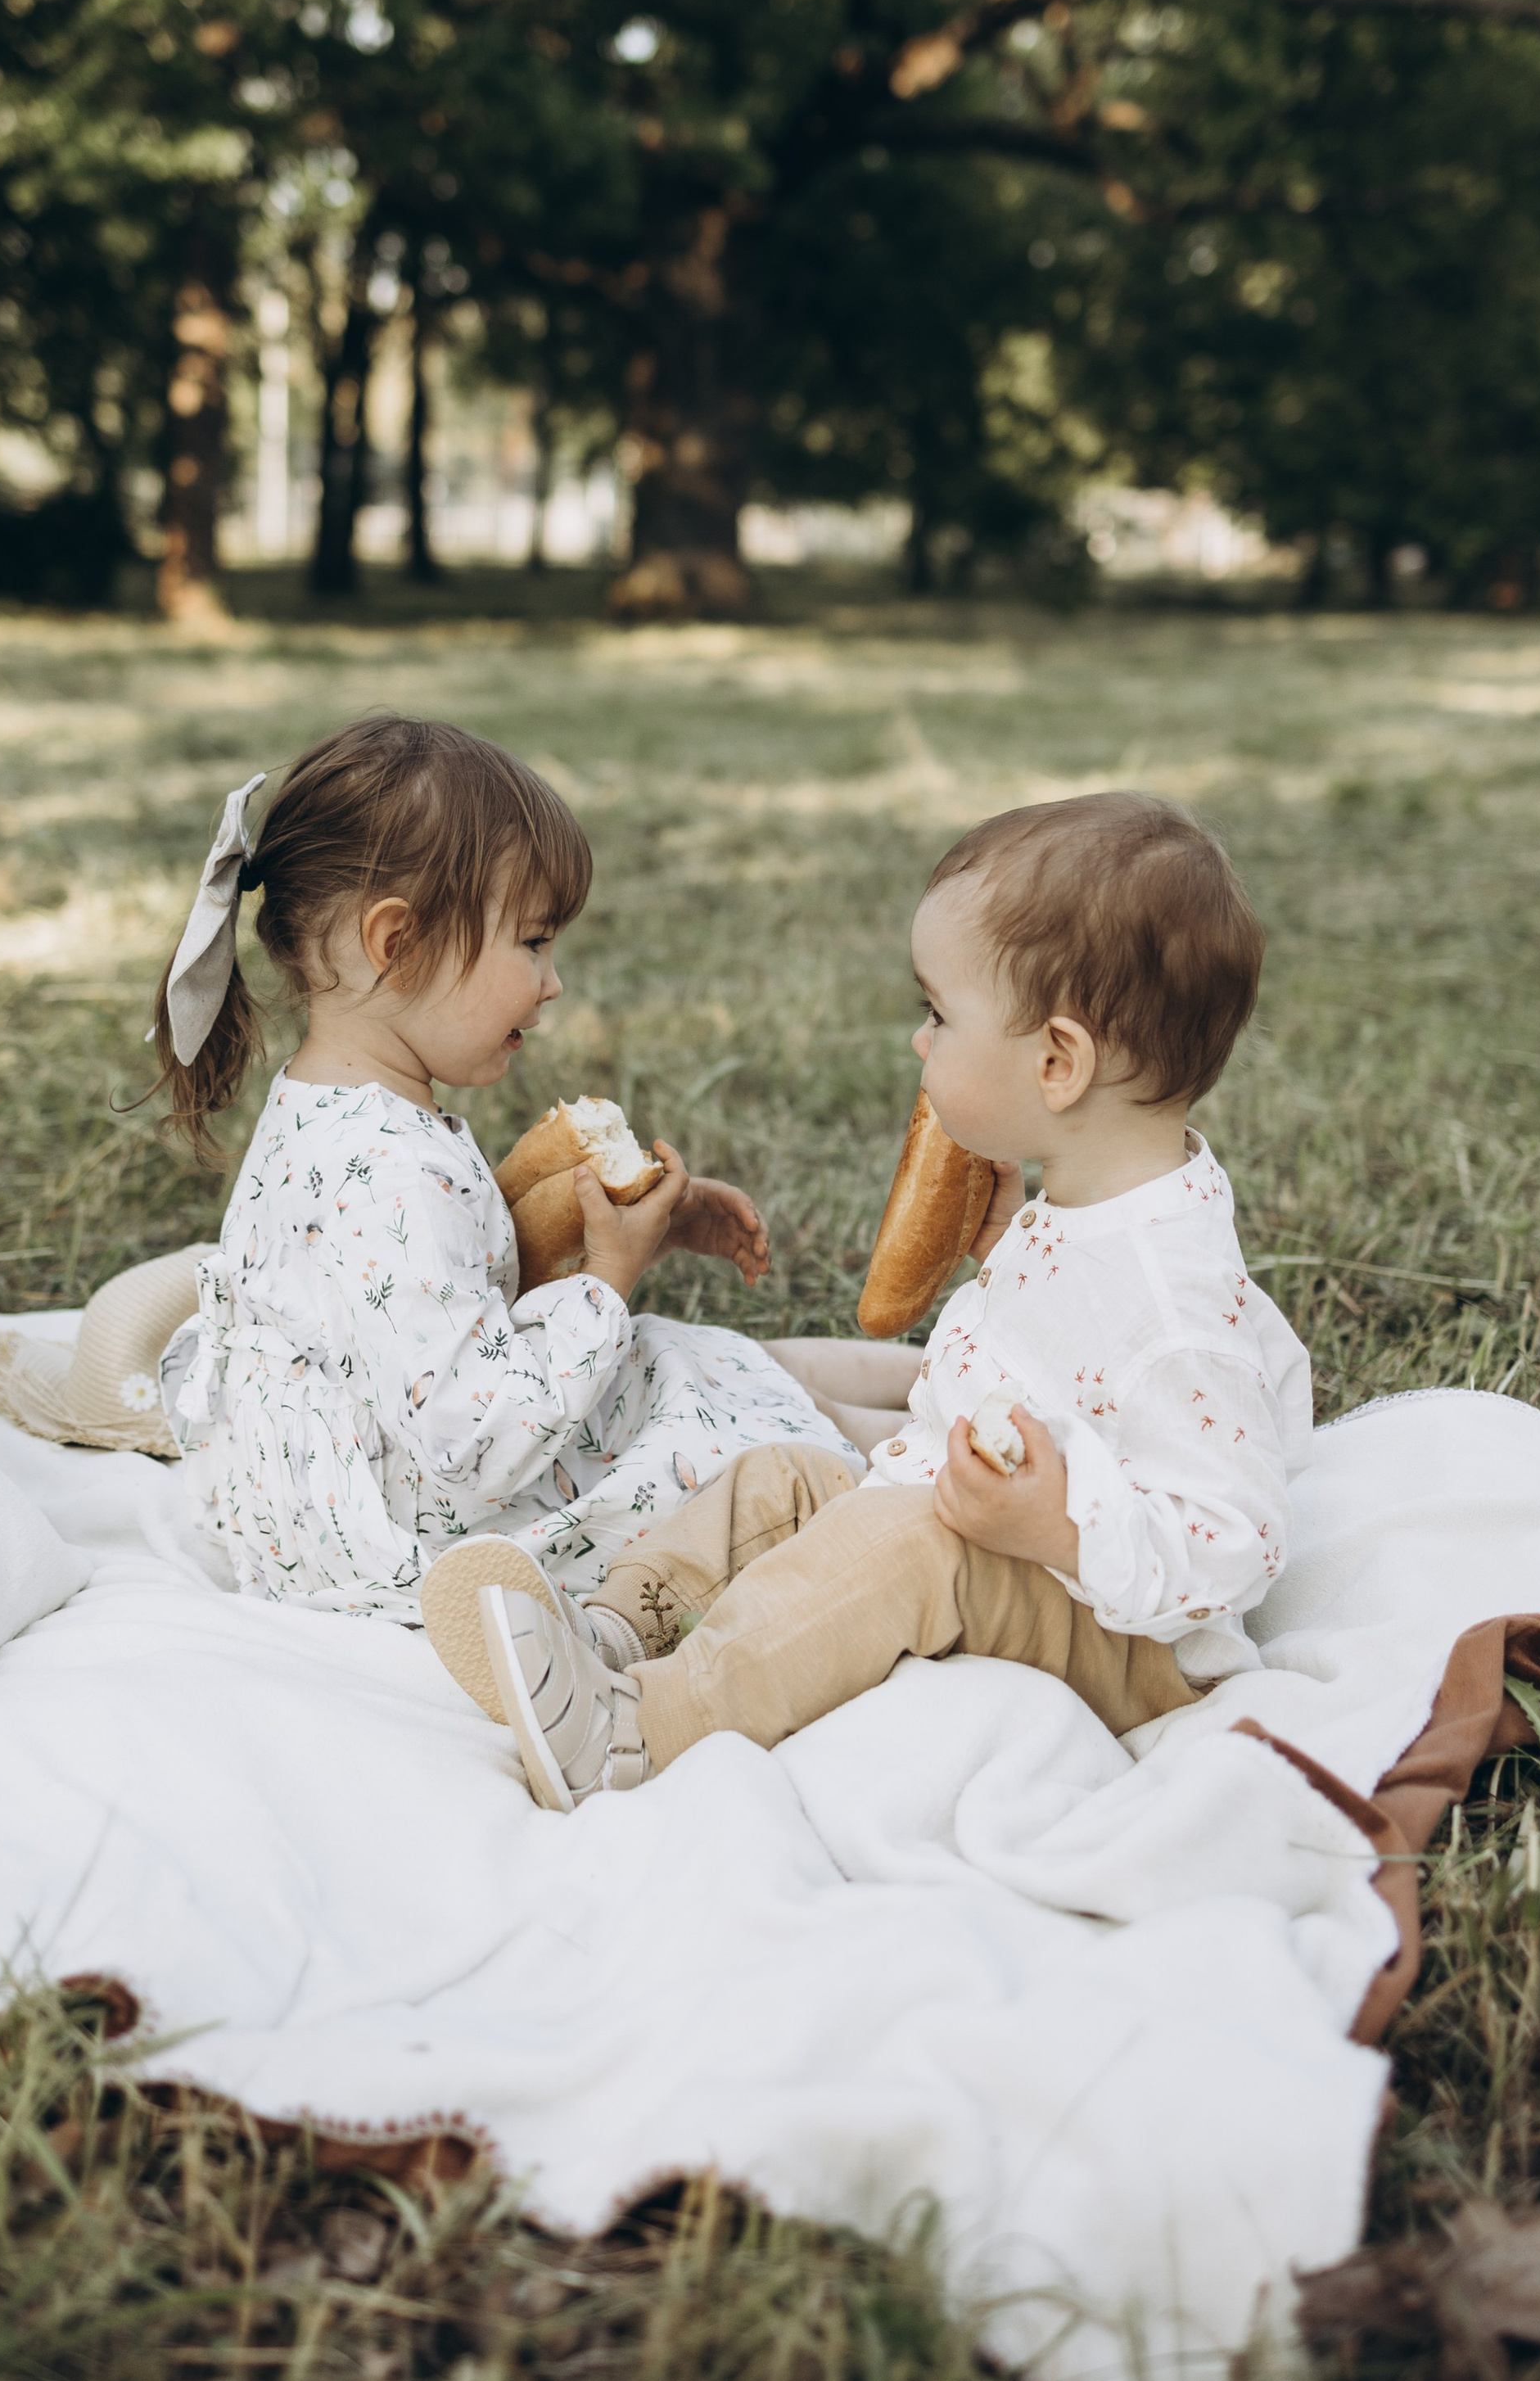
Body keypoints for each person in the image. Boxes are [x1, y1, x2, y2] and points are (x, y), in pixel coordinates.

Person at [422, 792, 1312, 1812]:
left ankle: (641, 1728)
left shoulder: (1170, 1295)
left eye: (940, 1015)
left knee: (899, 1550)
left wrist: (1060, 1528)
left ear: (1057, 1064)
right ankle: (611, 1628)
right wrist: (1003, 1260)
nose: (920, 1045)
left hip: (1125, 1643)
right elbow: (1067, 1365)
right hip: (986, 1534)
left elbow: (1236, 1530)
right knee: (784, 1479)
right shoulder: (1091, 1202)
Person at [149, 715, 860, 1616]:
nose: (552, 981)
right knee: (695, 1431)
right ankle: (863, 1474)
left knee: (672, 1368)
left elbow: (435, 1311)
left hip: (321, 1489)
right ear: (395, 944)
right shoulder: (392, 1167)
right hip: (407, 1535)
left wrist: (647, 1226)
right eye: (532, 942)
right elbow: (476, 1445)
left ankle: (881, 1408)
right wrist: (609, 1275)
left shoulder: (329, 1104)